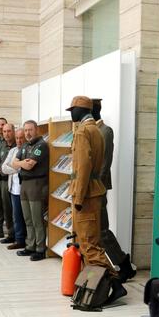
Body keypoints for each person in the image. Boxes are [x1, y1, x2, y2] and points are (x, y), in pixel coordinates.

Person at [67, 95, 127, 304]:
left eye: (72, 110)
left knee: (89, 244)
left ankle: (114, 283)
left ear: (80, 110)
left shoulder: (84, 131)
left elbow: (83, 167)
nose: (71, 113)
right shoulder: (96, 130)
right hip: (93, 191)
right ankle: (104, 284)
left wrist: (79, 197)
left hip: (86, 194)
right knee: (90, 242)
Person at [91, 98, 136, 281]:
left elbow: (104, 163)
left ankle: (124, 264)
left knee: (102, 230)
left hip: (98, 188)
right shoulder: (91, 131)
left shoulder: (105, 131)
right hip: (92, 189)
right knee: (97, 230)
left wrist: (97, 188)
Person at [12, 120, 48, 261]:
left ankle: (40, 249)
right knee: (27, 218)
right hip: (24, 184)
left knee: (36, 219)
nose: (27, 133)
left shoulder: (41, 146)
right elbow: (14, 164)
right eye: (25, 130)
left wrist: (21, 163)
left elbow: (29, 166)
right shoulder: (25, 145)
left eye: (30, 130)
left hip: (36, 184)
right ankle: (30, 246)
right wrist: (21, 163)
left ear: (36, 130)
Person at [0, 127, 27, 250]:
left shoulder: (29, 150)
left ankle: (27, 240)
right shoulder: (13, 151)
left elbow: (28, 167)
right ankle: (19, 240)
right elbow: (4, 168)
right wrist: (18, 166)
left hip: (25, 189)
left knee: (27, 217)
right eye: (17, 138)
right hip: (13, 189)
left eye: (21, 138)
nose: (19, 141)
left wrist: (15, 165)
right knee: (16, 216)